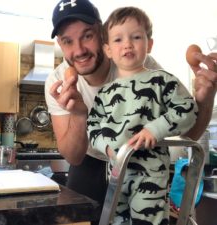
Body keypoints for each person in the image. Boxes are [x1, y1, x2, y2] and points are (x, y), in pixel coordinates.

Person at [45, 0, 217, 218]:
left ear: (101, 33)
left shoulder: (146, 70)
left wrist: (205, 98)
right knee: (79, 219)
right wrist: (79, 115)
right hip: (91, 159)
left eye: (87, 35)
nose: (79, 50)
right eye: (68, 41)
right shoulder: (58, 81)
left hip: (144, 160)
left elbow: (187, 132)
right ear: (60, 44)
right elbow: (74, 157)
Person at [86, 6, 198, 225]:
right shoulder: (105, 93)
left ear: (149, 44)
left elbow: (187, 109)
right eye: (118, 40)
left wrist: (155, 129)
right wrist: (106, 147)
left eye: (136, 37)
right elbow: (92, 125)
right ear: (108, 49)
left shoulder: (162, 80)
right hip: (117, 175)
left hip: (151, 174)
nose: (127, 44)